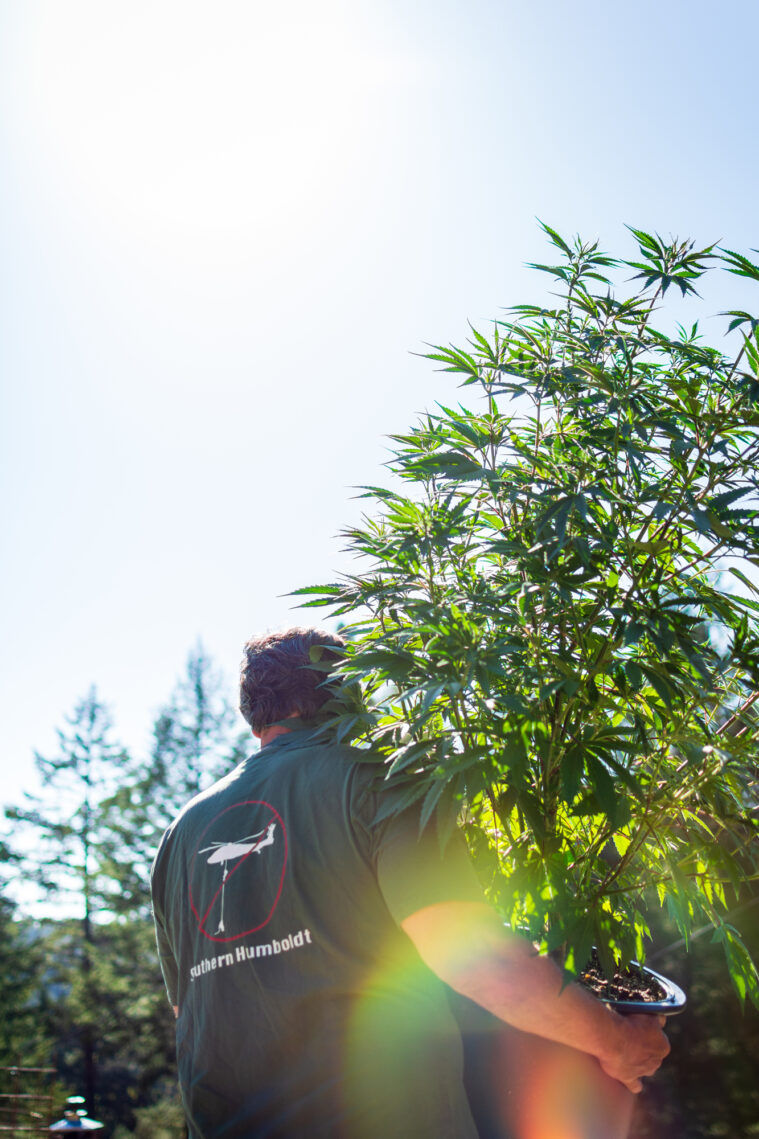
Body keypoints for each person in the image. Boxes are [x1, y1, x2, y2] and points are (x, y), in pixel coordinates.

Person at [151, 627, 669, 1139]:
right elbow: (474, 957)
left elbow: (189, 1011)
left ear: (253, 716)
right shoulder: (383, 779)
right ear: (352, 690)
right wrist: (615, 1042)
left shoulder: (179, 835)